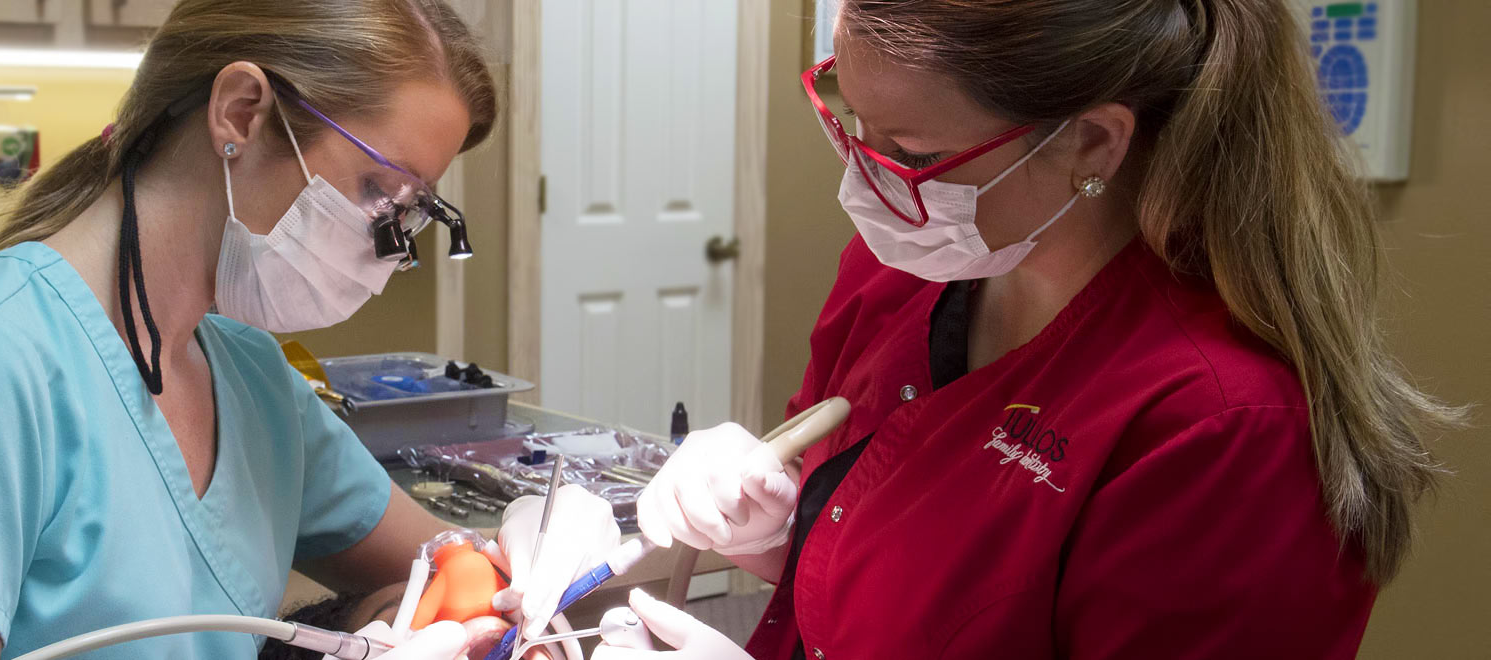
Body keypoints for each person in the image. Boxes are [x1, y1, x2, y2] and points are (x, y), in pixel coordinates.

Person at [614, 1, 1462, 658]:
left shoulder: (1223, 426)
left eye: (910, 155)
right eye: (850, 123)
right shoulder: (900, 276)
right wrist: (776, 529)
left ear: (1093, 141)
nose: (866, 184)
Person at [0, 1, 559, 658]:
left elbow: (438, 563)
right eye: (380, 194)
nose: (387, 244)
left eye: (412, 214)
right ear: (241, 112)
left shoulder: (250, 381)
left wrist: (500, 564)